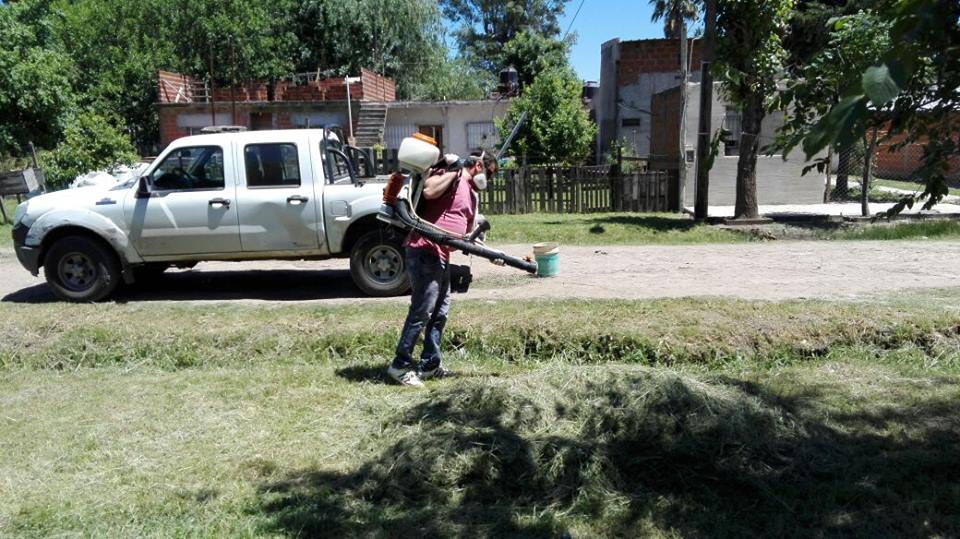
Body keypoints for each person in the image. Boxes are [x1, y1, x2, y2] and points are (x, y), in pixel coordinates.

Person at [387, 151, 497, 386]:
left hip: (442, 255)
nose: (489, 178)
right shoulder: (451, 175)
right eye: (489, 173)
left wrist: (493, 256)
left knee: (439, 314)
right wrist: (455, 169)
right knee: (422, 311)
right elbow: (429, 191)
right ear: (478, 165)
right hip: (425, 249)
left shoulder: (472, 196)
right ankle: (399, 366)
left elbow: (466, 236)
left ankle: (429, 365)